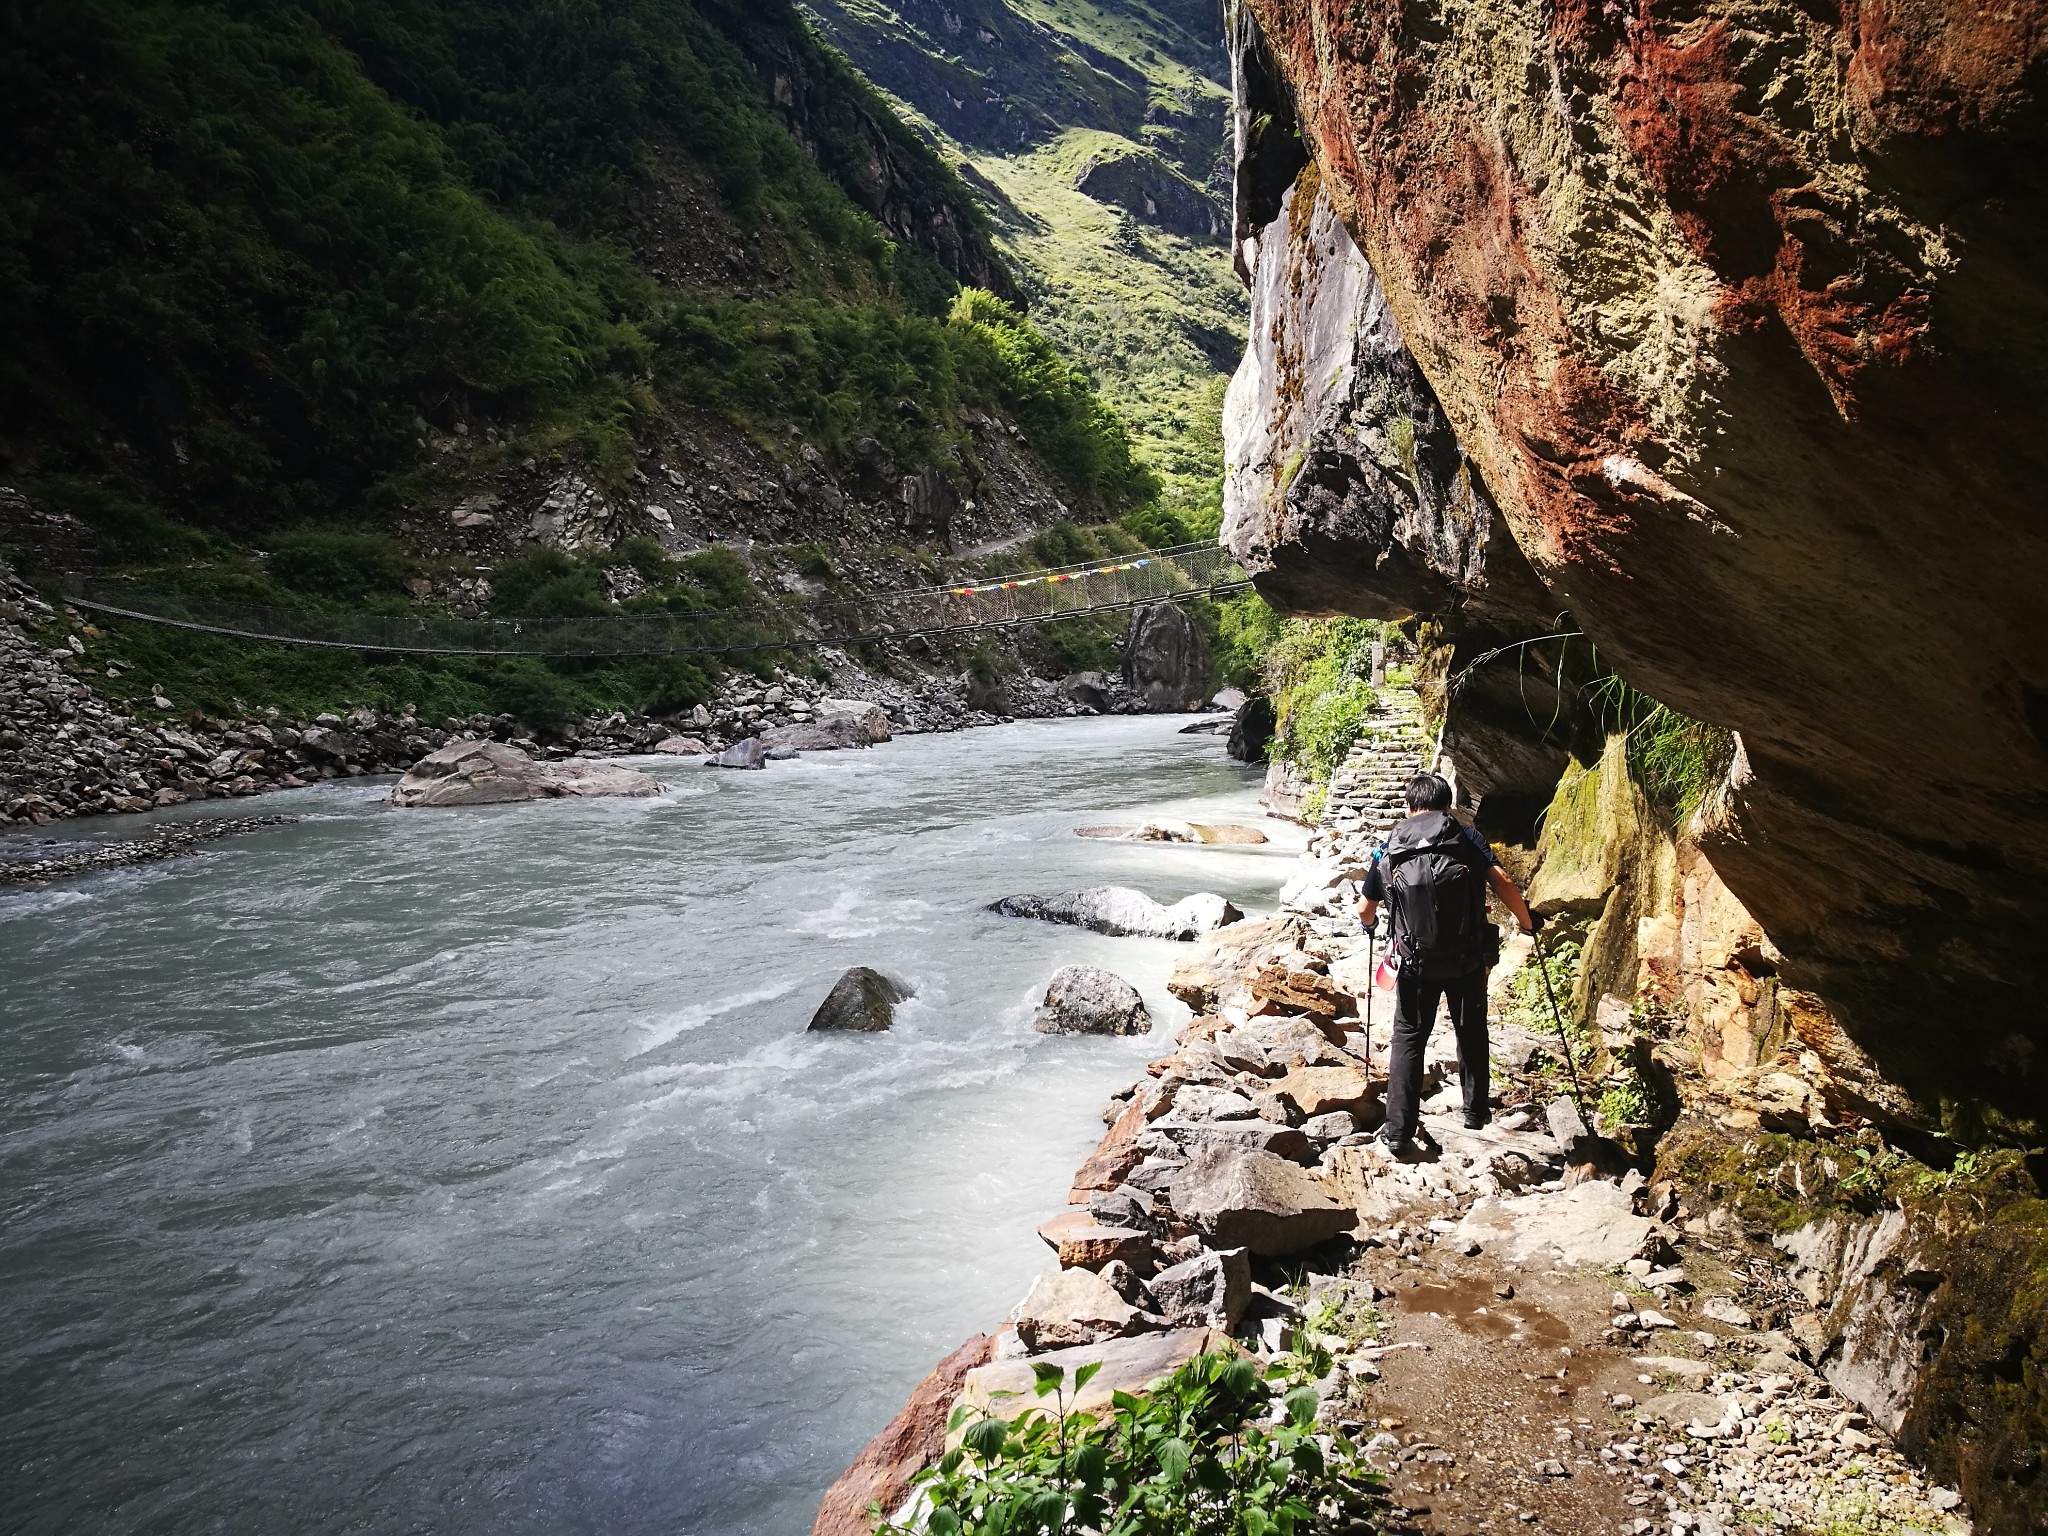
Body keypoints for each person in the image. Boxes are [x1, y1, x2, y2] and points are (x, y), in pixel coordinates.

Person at [1355, 771, 1538, 1152]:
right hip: (1466, 958)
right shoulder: (1465, 837)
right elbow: (1501, 881)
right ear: (1447, 804)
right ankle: (1474, 1111)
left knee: (1408, 1037)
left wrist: (1370, 927)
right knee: (1470, 1029)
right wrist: (1527, 921)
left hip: (1414, 963)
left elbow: (1366, 907)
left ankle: (1399, 1131)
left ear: (1408, 806)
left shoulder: (1390, 846)